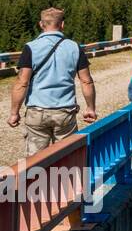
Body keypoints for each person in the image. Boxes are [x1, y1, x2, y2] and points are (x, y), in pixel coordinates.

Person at [7, 8, 98, 155]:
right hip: (65, 112)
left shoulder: (30, 47)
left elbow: (22, 82)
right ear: (62, 24)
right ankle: (61, 178)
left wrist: (14, 112)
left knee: (35, 162)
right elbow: (86, 81)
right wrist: (90, 108)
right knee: (66, 157)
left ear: (41, 24)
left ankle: (38, 178)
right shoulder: (74, 47)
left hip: (37, 112)